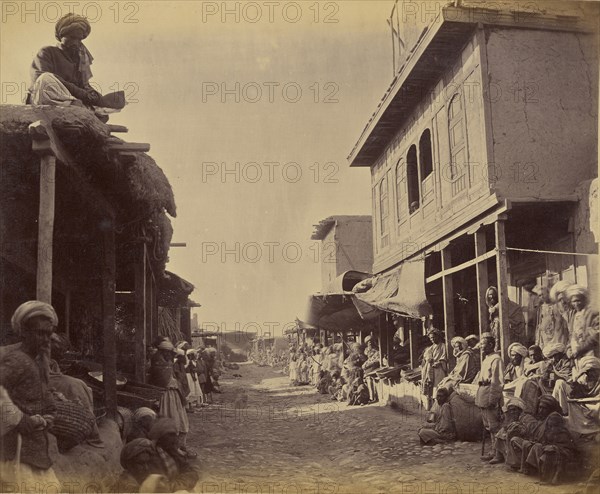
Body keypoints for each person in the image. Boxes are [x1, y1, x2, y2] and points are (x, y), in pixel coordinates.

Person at [0, 301, 59, 486]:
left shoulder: (39, 361)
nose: (45, 340)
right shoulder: (17, 360)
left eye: (48, 334)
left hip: (35, 449)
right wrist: (19, 419)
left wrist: (50, 413)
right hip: (17, 452)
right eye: (40, 333)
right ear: (24, 332)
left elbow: (42, 394)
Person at [27, 14, 104, 109]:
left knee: (103, 107)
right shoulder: (47, 52)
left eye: (79, 39)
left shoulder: (79, 60)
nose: (76, 42)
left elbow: (84, 86)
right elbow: (39, 78)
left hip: (72, 98)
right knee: (45, 78)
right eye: (72, 37)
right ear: (61, 36)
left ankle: (74, 105)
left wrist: (98, 97)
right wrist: (80, 93)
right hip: (44, 97)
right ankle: (73, 104)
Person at [115, 419, 199, 492]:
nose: (175, 439)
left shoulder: (172, 453)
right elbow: (148, 484)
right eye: (170, 435)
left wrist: (174, 486)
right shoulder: (143, 454)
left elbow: (191, 472)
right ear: (160, 437)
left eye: (175, 435)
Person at [509, 396, 576, 484]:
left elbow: (553, 439)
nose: (540, 410)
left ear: (550, 408)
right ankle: (526, 468)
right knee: (525, 443)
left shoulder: (554, 417)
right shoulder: (544, 418)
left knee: (537, 447)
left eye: (543, 408)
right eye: (540, 407)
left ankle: (545, 476)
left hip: (561, 449)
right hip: (547, 445)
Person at [149, 340, 193, 458]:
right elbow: (161, 381)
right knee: (170, 418)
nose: (170, 355)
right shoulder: (158, 363)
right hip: (165, 395)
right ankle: (171, 448)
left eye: (170, 353)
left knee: (180, 419)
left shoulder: (167, 362)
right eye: (168, 353)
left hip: (174, 394)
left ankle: (179, 446)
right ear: (163, 352)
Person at [475, 332, 504, 461]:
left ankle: (499, 454)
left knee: (495, 426)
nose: (481, 347)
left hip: (489, 397)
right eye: (481, 344)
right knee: (488, 426)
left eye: (484, 344)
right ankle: (493, 451)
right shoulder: (486, 359)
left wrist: (493, 399)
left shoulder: (496, 359)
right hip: (483, 395)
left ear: (491, 345)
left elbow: (497, 382)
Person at [552, 356, 600, 435]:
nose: (591, 374)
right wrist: (577, 382)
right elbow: (573, 393)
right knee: (560, 384)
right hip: (583, 405)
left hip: (594, 405)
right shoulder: (584, 378)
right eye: (588, 371)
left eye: (594, 371)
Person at [490, 397, 538, 465]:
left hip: (527, 439)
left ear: (520, 410)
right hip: (515, 437)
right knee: (502, 431)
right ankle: (499, 456)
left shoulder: (527, 418)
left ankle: (516, 461)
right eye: (510, 410)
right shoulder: (512, 418)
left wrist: (518, 429)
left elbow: (530, 431)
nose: (512, 412)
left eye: (514, 410)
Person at [565, 285, 599, 362]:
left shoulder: (593, 313)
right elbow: (572, 335)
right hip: (577, 354)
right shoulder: (573, 315)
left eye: (578, 300)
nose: (576, 304)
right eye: (574, 301)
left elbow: (595, 336)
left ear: (585, 300)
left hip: (590, 353)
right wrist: (569, 349)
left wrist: (580, 349)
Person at [536, 283, 570, 352]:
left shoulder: (556, 305)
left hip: (556, 333)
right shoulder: (541, 308)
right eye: (539, 295)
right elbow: (539, 323)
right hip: (545, 334)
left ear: (548, 293)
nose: (542, 296)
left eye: (543, 294)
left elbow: (561, 320)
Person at [421, 328, 448, 409]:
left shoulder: (443, 346)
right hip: (431, 369)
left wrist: (439, 362)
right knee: (431, 388)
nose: (432, 339)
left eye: (433, 337)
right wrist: (428, 358)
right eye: (431, 338)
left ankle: (439, 407)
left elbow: (444, 357)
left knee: (438, 387)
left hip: (439, 370)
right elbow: (426, 355)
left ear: (438, 337)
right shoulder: (431, 347)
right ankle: (433, 408)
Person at [362, 336, 381, 403]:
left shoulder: (377, 350)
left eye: (370, 341)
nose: (369, 343)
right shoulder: (366, 350)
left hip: (375, 367)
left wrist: (370, 364)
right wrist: (365, 364)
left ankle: (372, 397)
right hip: (369, 367)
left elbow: (377, 360)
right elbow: (368, 360)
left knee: (369, 378)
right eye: (368, 342)